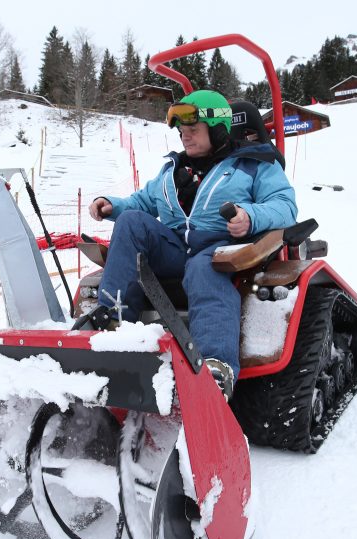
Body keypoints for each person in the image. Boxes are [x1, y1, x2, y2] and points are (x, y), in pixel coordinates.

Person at [86, 89, 298, 398]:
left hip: (224, 250)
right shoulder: (173, 171)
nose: (185, 137)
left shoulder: (254, 163)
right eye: (182, 132)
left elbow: (285, 206)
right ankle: (111, 326)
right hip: (175, 249)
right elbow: (142, 202)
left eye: (193, 130)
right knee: (130, 221)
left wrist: (249, 216)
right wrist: (111, 206)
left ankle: (215, 366)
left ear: (218, 129)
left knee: (203, 266)